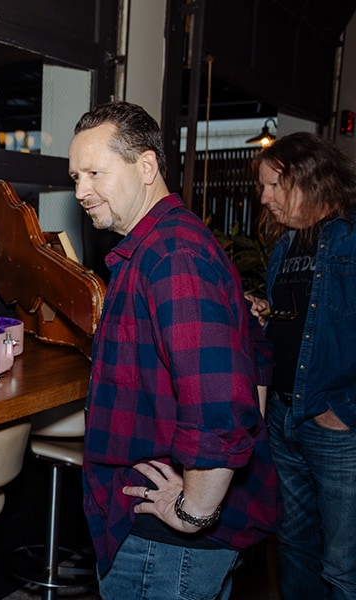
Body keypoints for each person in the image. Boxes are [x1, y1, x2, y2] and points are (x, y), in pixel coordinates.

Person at [68, 101, 278, 599]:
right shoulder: (161, 246)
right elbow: (257, 367)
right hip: (164, 529)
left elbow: (221, 406)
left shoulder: (171, 254)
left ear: (145, 166)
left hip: (165, 540)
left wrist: (194, 511)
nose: (81, 191)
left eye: (95, 172)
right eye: (76, 177)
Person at [245, 131, 356, 600]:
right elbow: (308, 319)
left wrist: (345, 411)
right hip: (285, 417)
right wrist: (267, 312)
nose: (265, 198)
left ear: (310, 180)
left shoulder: (349, 239)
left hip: (333, 423)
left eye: (275, 186)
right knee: (293, 545)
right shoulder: (287, 246)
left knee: (342, 564)